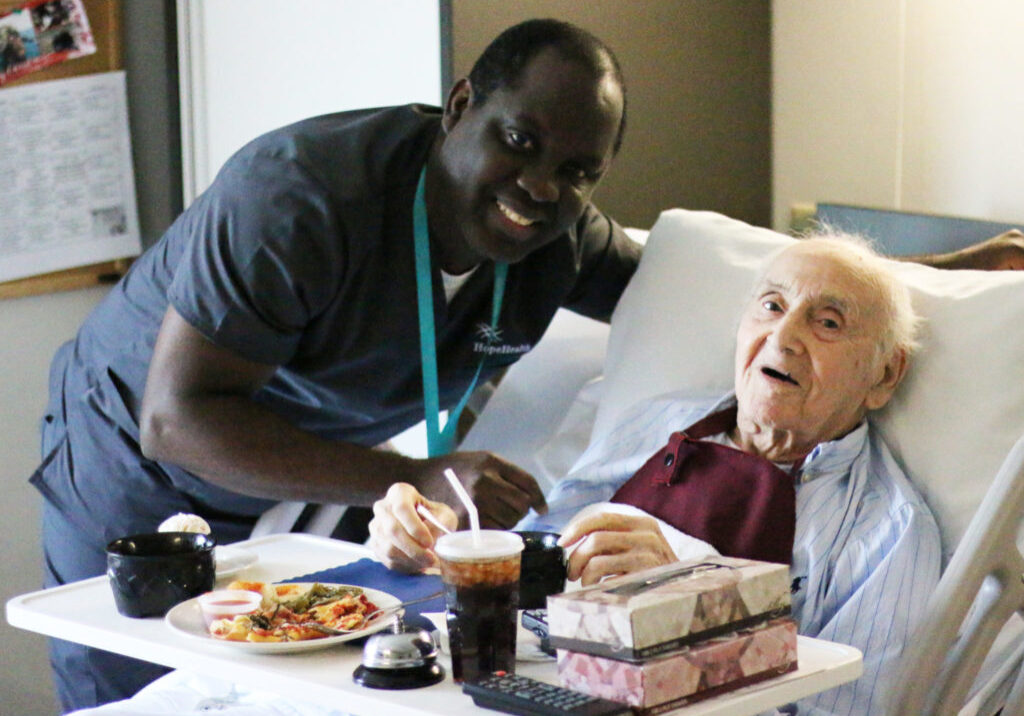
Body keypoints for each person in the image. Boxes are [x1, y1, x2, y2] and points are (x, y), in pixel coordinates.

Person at [32, 18, 637, 712]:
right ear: (463, 106)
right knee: (146, 700)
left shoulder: (561, 241)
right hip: (139, 473)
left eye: (576, 172)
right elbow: (175, 421)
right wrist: (416, 477)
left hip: (306, 484)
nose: (538, 187)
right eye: (520, 141)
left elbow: (689, 288)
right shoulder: (299, 197)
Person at [370, 234, 942, 716]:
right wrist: (441, 547)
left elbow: (852, 709)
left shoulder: (887, 529)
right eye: (771, 305)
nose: (784, 337)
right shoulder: (660, 423)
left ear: (885, 374)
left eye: (828, 322)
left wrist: (685, 610)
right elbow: (536, 563)